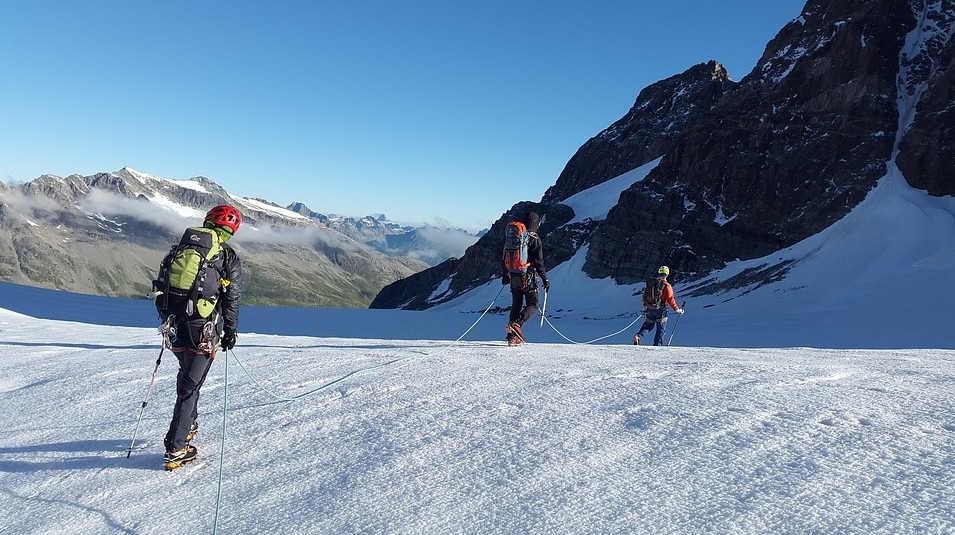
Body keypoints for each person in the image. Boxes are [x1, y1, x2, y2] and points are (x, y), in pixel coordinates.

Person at [159, 205, 243, 470]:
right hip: (202, 328)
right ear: (232, 229)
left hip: (174, 324)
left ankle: (189, 424)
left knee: (186, 375)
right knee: (190, 386)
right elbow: (232, 298)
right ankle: (176, 448)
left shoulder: (180, 248)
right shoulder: (226, 256)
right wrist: (230, 331)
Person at [501, 211, 549, 345]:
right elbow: (539, 262)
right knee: (533, 304)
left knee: (516, 304)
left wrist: (506, 274)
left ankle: (512, 336)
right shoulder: (534, 238)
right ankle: (517, 325)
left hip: (514, 275)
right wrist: (545, 279)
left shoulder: (514, 236)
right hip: (528, 277)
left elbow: (504, 255)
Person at [633, 265, 684, 346]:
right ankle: (657, 345)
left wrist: (645, 306)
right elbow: (670, 299)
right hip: (661, 310)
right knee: (660, 329)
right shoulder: (666, 285)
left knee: (648, 326)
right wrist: (677, 309)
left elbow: (644, 296)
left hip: (650, 309)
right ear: (667, 274)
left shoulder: (651, 283)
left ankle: (638, 336)